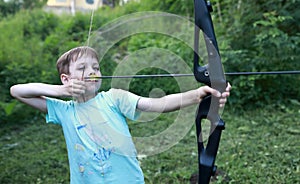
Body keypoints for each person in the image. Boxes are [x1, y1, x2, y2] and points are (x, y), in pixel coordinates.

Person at [10, 46, 231, 183]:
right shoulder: (64, 110)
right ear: (66, 79)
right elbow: (17, 91)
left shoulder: (114, 98)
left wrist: (197, 94)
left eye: (95, 67)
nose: (92, 72)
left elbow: (158, 103)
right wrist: (61, 91)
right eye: (83, 68)